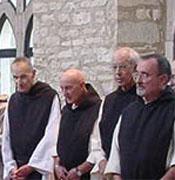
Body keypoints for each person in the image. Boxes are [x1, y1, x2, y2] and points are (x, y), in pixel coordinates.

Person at [105, 54, 175, 179]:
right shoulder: (128, 113)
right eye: (137, 74)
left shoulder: (171, 110)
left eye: (145, 75)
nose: (138, 80)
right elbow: (115, 162)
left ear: (163, 79)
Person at [2, 57, 61, 180]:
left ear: (33, 74)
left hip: (39, 168)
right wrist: (11, 167)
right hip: (17, 170)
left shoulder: (49, 97)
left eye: (23, 77)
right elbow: (7, 137)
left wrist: (31, 166)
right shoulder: (13, 101)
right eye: (15, 77)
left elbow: (52, 134)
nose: (19, 82)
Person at [92, 47, 140, 178]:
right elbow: (97, 136)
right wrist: (101, 160)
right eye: (114, 68)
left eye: (123, 67)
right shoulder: (108, 100)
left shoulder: (141, 99)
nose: (118, 73)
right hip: (107, 169)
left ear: (135, 68)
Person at [54, 68, 101, 180]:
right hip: (64, 175)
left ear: (82, 86)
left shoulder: (98, 109)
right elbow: (58, 141)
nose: (65, 93)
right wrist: (57, 165)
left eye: (69, 88)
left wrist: (79, 171)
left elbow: (98, 147)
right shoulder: (66, 110)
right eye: (62, 88)